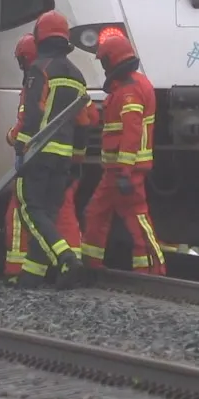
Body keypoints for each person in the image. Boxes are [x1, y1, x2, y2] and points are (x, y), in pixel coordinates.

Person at [13, 11, 88, 287]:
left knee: (30, 207)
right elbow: (84, 123)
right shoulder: (77, 75)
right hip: (64, 156)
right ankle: (31, 276)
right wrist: (77, 160)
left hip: (39, 151)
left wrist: (21, 144)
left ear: (39, 36)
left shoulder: (39, 69)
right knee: (49, 212)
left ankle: (66, 259)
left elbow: (33, 114)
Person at [82, 29, 167, 274]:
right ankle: (91, 264)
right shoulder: (126, 87)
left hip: (125, 169)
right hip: (114, 169)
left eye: (105, 61)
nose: (104, 67)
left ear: (112, 59)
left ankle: (153, 268)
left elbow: (131, 132)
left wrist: (125, 172)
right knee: (96, 213)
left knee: (137, 217)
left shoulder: (130, 90)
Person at [3, 33, 38, 282]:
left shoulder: (33, 84)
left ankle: (16, 269)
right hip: (52, 160)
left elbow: (26, 122)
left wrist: (12, 137)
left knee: (17, 213)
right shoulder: (49, 78)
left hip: (32, 158)